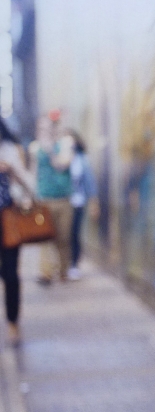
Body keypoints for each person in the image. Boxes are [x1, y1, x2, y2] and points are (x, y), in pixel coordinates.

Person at [0, 117, 35, 343]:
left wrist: (11, 169)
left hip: (8, 219)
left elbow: (29, 183)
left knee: (11, 274)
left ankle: (13, 322)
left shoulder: (10, 150)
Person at [30, 114, 74, 284]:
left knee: (63, 238)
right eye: (41, 129)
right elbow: (33, 173)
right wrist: (31, 195)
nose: (44, 131)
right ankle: (46, 272)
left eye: (47, 128)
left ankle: (63, 271)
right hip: (44, 199)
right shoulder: (35, 148)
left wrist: (50, 151)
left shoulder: (65, 144)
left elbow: (62, 165)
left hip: (63, 198)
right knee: (44, 237)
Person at [66, 130, 97, 280]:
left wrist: (93, 201)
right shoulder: (59, 158)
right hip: (63, 201)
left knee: (75, 233)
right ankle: (63, 263)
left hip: (78, 202)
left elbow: (89, 181)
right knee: (63, 234)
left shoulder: (82, 159)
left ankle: (74, 264)